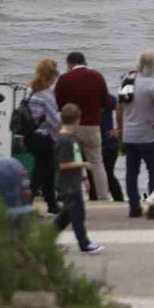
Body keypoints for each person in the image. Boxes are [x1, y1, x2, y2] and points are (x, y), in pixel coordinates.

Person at [54, 51, 114, 201]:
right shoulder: (97, 76)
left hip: (71, 127)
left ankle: (74, 195)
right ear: (85, 62)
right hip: (92, 126)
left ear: (69, 64)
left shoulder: (64, 79)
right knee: (97, 163)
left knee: (73, 161)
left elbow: (58, 103)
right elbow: (106, 102)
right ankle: (104, 197)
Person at [116, 50, 154, 219]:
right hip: (148, 135)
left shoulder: (127, 80)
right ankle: (153, 208)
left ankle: (134, 207)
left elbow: (119, 107)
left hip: (129, 135)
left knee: (132, 172)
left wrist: (120, 127)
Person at [53, 103, 107, 255]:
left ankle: (47, 237)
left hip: (75, 182)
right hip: (68, 184)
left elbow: (75, 158)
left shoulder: (71, 138)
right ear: (77, 120)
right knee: (77, 214)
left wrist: (84, 178)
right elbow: (63, 164)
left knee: (67, 215)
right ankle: (84, 244)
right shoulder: (64, 140)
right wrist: (84, 164)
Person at [26, 59, 62, 214]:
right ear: (50, 76)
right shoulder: (46, 94)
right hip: (44, 137)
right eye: (55, 76)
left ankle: (52, 204)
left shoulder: (30, 90)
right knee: (41, 172)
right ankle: (27, 203)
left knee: (47, 170)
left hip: (30, 135)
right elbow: (54, 120)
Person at [95, 93, 125, 202]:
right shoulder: (83, 97)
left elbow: (122, 108)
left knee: (108, 173)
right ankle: (94, 199)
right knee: (94, 174)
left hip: (108, 141)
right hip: (92, 140)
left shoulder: (106, 98)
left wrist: (120, 129)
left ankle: (119, 200)